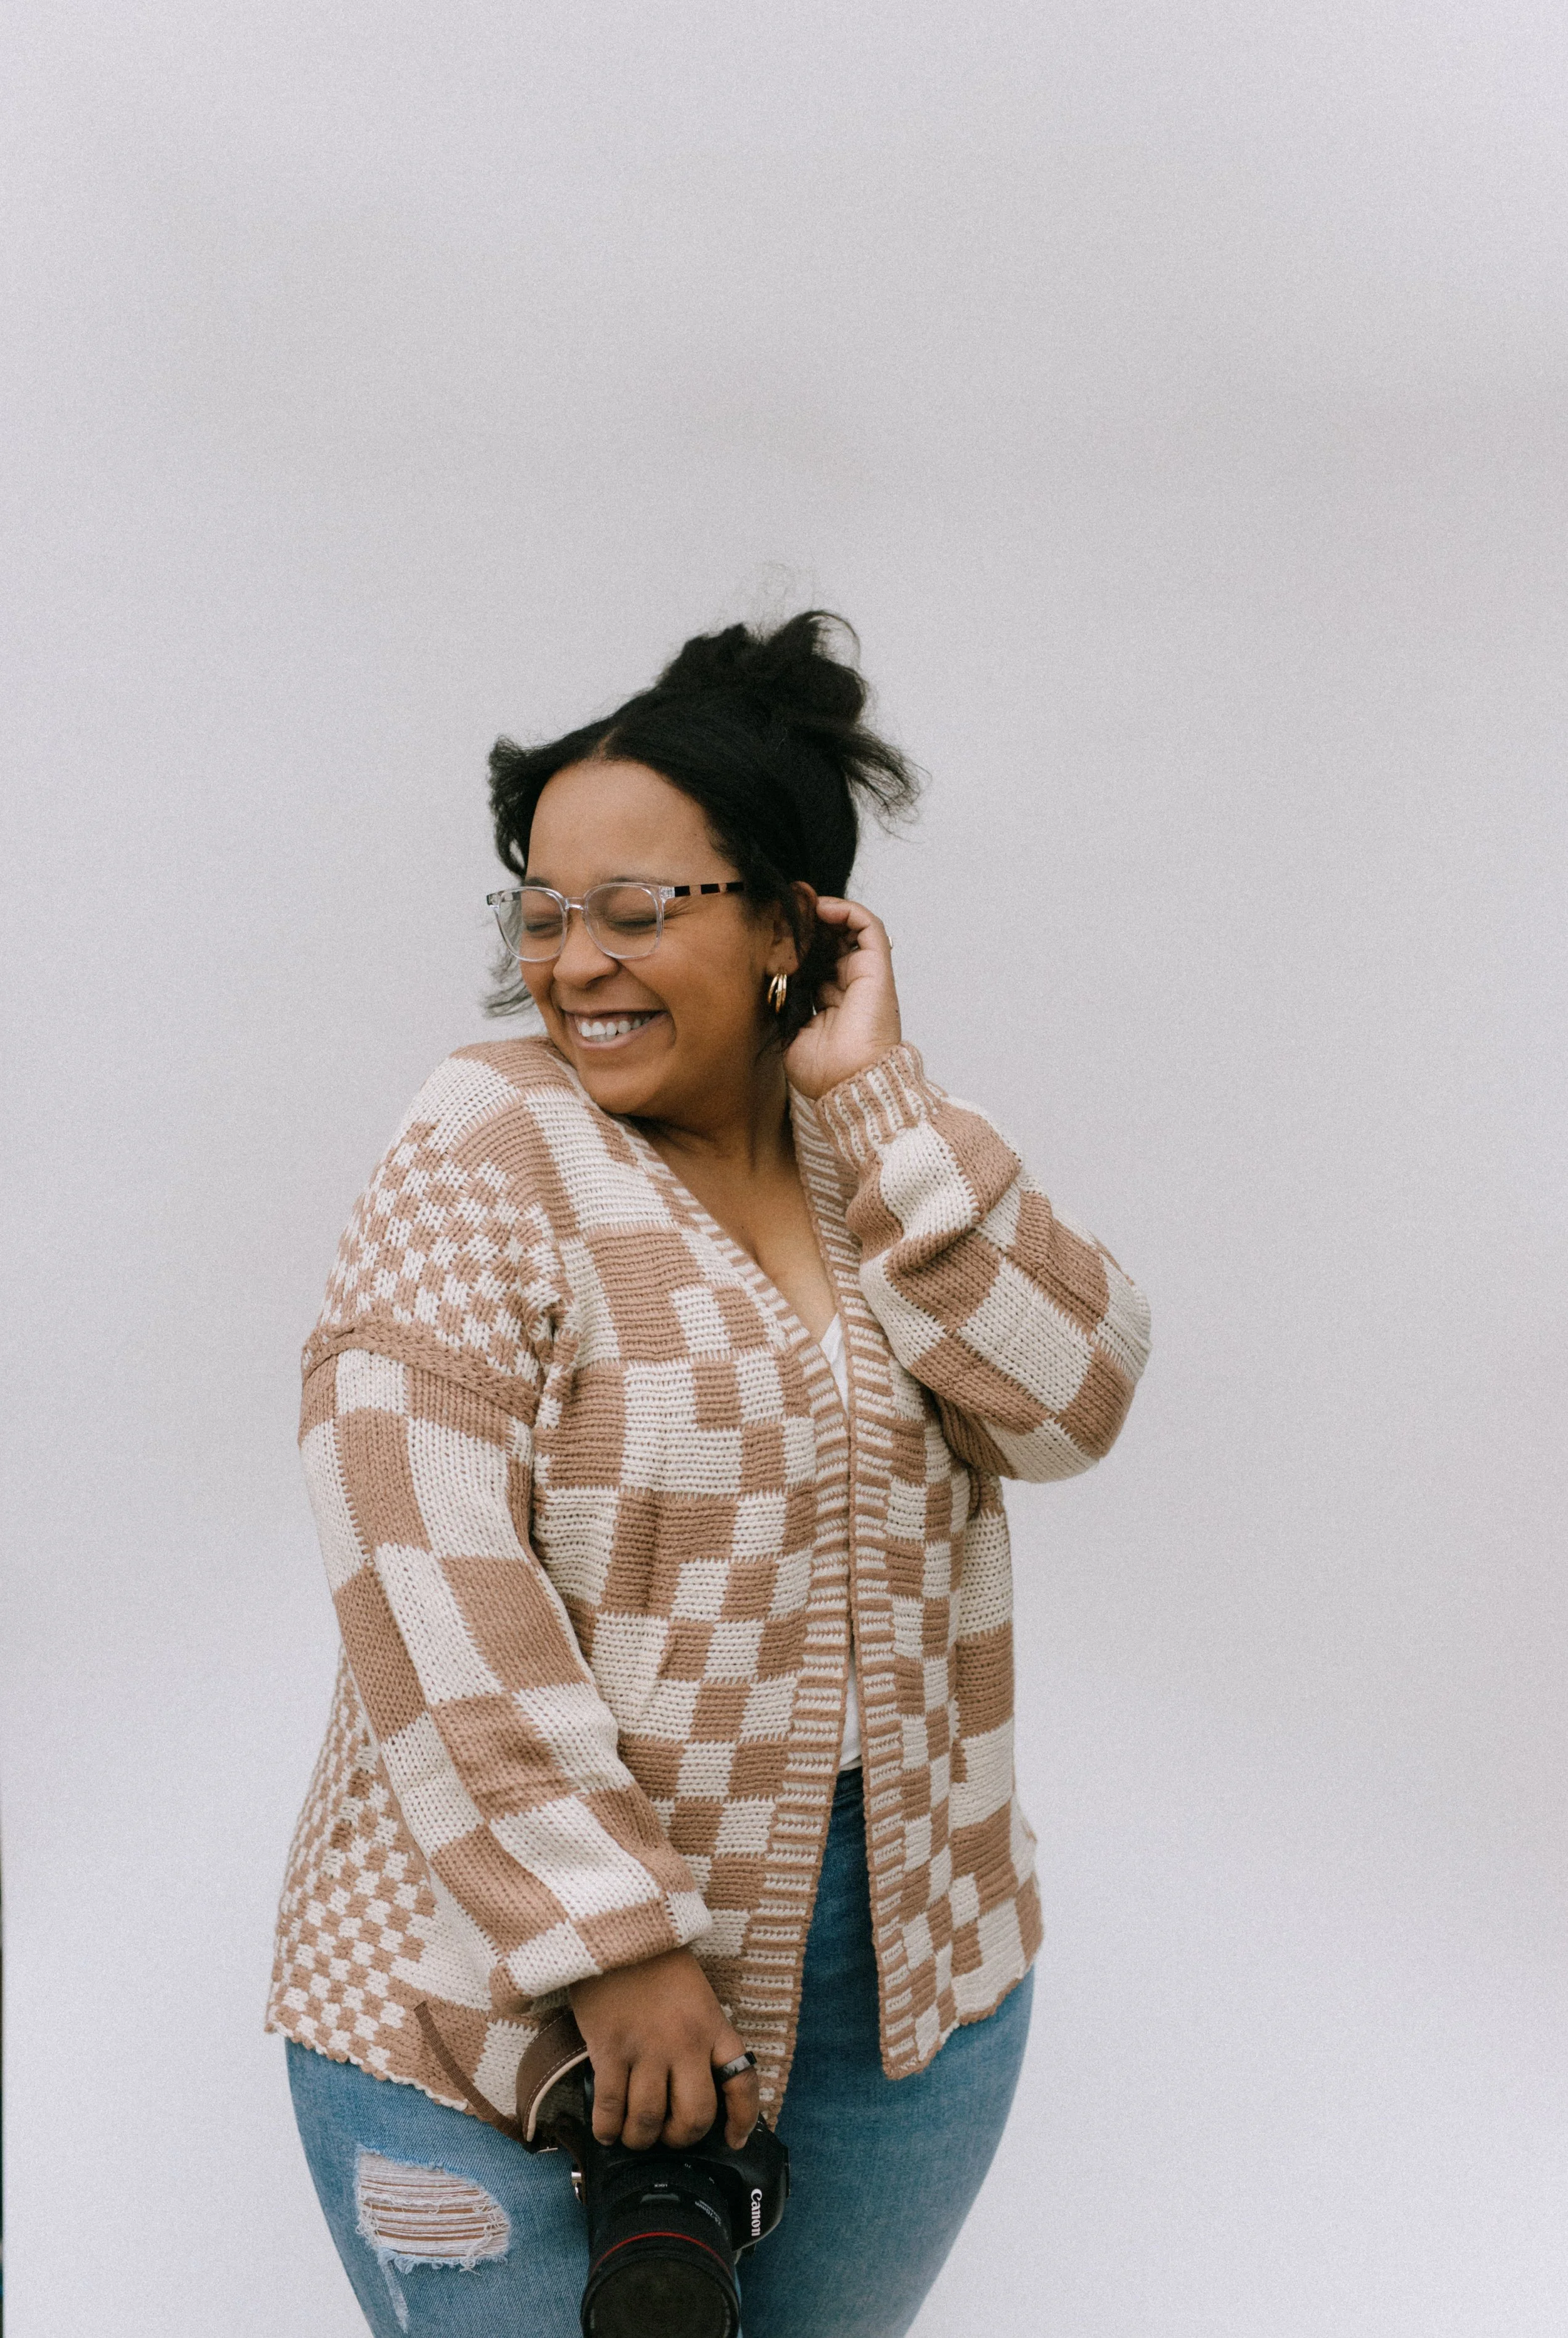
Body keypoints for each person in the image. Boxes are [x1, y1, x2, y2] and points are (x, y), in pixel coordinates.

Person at [268, 611, 1150, 2337]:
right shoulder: (488, 1140)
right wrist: (615, 1943)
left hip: (900, 2007)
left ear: (788, 925)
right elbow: (419, 1561)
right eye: (542, 909)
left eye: (636, 908)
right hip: (500, 2020)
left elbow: (1072, 1399)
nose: (573, 959)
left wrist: (874, 1094)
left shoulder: (874, 1158)